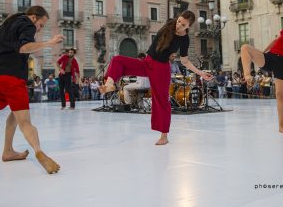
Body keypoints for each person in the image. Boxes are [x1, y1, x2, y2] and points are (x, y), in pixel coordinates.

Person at [99, 10, 213, 145]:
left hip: (161, 69)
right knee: (117, 60)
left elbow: (185, 61)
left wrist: (201, 73)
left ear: (188, 26)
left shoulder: (184, 39)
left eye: (183, 25)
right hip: (147, 62)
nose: (179, 25)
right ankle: (109, 84)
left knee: (161, 101)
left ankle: (164, 136)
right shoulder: (170, 24)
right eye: (179, 21)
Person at [0, 6, 64, 174]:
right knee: (25, 122)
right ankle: (39, 151)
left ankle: (8, 151)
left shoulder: (1, 29)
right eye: (41, 25)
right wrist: (49, 43)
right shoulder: (27, 23)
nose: (39, 29)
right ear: (34, 17)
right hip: (10, 78)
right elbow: (24, 47)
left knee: (14, 115)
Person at [241, 31, 283, 132]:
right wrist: (262, 52)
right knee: (245, 48)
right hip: (271, 56)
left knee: (280, 94)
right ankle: (247, 76)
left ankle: (281, 126)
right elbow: (275, 40)